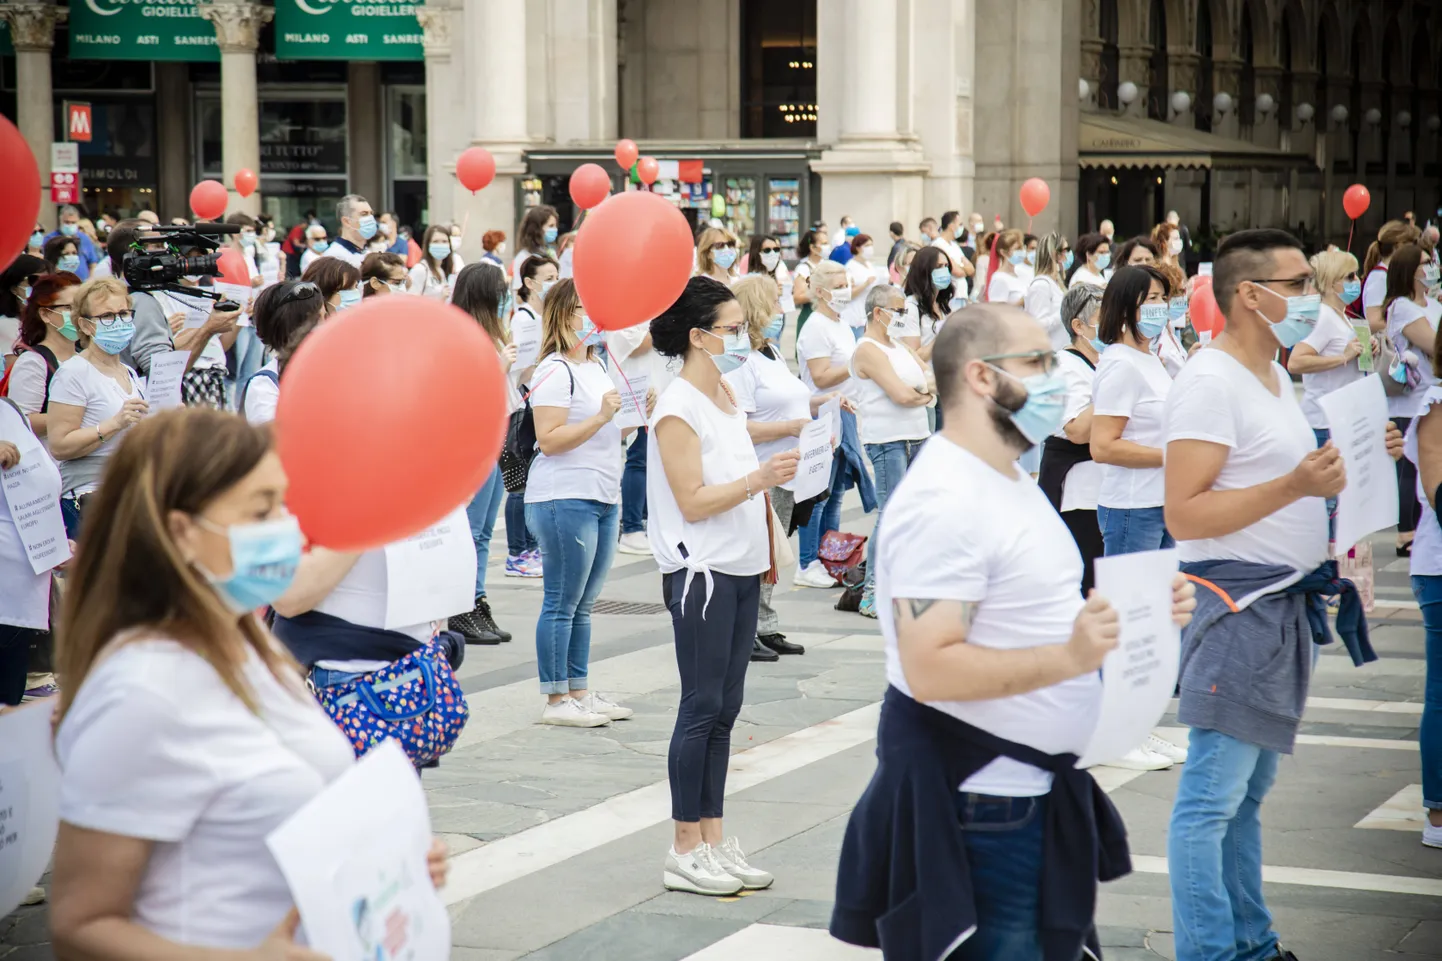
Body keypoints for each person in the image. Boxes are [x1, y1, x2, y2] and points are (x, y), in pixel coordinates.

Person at [830, 303, 1195, 961]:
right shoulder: (944, 498)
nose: (1057, 377)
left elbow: (1029, 609)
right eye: (1038, 362)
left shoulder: (1008, 479)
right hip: (983, 811)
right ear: (980, 377)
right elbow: (930, 666)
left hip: (1027, 799)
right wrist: (1068, 655)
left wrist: (1132, 610)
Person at [46, 410, 449, 960]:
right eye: (261, 511)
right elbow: (80, 925)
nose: (286, 526)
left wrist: (382, 866)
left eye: (284, 504)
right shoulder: (141, 690)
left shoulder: (250, 644)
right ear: (182, 530)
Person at [1162, 228, 1392, 961]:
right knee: (1210, 801)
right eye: (1294, 286)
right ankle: (1212, 952)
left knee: (1246, 797)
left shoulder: (1273, 377)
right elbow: (1185, 512)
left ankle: (1252, 942)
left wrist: (1353, 457)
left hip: (1279, 606)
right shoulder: (1210, 380)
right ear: (1248, 295)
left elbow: (1286, 479)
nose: (1310, 299)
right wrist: (1296, 484)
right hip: (1236, 609)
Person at [647, 275, 799, 897]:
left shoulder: (729, 394)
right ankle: (685, 846)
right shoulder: (677, 406)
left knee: (726, 710)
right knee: (700, 707)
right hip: (700, 571)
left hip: (738, 566)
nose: (744, 339)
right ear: (698, 335)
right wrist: (759, 481)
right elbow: (692, 498)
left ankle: (712, 836)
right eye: (733, 330)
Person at [525, 279, 632, 727]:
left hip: (603, 491)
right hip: (564, 494)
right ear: (564, 315)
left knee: (584, 602)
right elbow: (549, 440)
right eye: (583, 310)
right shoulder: (553, 370)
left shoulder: (597, 365)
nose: (592, 319)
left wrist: (628, 417)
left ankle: (578, 690)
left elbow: (609, 431)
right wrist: (601, 417)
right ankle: (555, 700)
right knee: (561, 601)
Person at [726, 274, 840, 660]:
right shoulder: (741, 362)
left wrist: (825, 408)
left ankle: (764, 624)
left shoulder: (772, 353)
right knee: (759, 553)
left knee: (774, 553)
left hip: (790, 467)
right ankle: (745, 630)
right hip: (762, 468)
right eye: (775, 303)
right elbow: (737, 426)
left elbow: (794, 401)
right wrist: (792, 427)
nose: (782, 310)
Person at [849, 284, 932, 618]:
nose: (902, 316)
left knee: (913, 515)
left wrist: (922, 392)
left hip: (917, 435)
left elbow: (928, 381)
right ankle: (871, 591)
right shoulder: (867, 349)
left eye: (904, 311)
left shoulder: (897, 345)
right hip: (887, 440)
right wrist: (925, 394)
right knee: (891, 515)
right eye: (897, 311)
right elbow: (901, 395)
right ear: (878, 313)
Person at [44, 279, 150, 537]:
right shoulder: (73, 373)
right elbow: (60, 445)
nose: (119, 322)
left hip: (132, 490)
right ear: (85, 324)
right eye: (107, 316)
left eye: (124, 313)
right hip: (91, 496)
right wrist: (114, 424)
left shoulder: (128, 372)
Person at [793, 260, 876, 588]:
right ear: (821, 290)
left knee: (836, 492)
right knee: (818, 493)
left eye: (847, 283)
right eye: (839, 284)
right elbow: (821, 376)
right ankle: (807, 561)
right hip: (823, 415)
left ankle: (829, 556)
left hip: (846, 415)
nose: (845, 290)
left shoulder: (839, 322)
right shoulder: (815, 327)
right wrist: (856, 362)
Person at [450, 263, 520, 645]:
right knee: (471, 528)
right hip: (474, 438)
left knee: (485, 531)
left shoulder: (494, 328)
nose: (505, 296)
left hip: (499, 432)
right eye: (500, 290)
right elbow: (466, 390)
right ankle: (461, 606)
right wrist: (502, 365)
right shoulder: (461, 333)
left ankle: (477, 599)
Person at [1090, 265, 1175, 556]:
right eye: (1151, 298)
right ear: (1126, 307)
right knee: (1133, 600)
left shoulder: (1148, 359)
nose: (1160, 306)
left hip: (1162, 500)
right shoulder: (1121, 364)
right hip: (1133, 507)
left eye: (1162, 297)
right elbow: (1102, 447)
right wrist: (1170, 457)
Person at [1040, 285, 1106, 594]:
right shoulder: (1065, 365)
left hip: (1107, 486)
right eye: (1102, 317)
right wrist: (1113, 384)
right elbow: (1078, 430)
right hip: (1081, 490)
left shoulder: (1104, 361)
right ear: (1078, 326)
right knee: (1086, 580)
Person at [502, 256, 556, 578]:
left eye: (556, 275)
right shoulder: (523, 320)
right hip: (520, 406)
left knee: (531, 478)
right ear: (530, 283)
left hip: (535, 402)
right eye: (547, 277)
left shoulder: (543, 315)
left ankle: (529, 547)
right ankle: (516, 552)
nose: (554, 281)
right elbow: (519, 369)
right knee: (518, 482)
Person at [1385, 243, 1436, 555]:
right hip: (1411, 399)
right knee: (1410, 468)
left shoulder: (1431, 303)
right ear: (1409, 269)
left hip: (1434, 395)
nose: (1432, 267)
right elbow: (1433, 343)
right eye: (1425, 262)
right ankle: (1406, 533)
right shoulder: (1402, 307)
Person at [1287, 249, 1365, 449]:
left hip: (1341, 421)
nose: (1357, 280)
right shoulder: (1323, 316)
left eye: (1356, 274)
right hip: (1324, 424)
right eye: (1350, 276)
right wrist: (1343, 357)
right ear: (1332, 283)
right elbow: (1295, 362)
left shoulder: (1341, 315)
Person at [7, 272, 81, 436]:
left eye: (82, 307)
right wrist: (79, 415)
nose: (78, 314)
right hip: (51, 458)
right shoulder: (34, 362)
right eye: (69, 307)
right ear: (45, 314)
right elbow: (23, 419)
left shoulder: (83, 356)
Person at [243, 281, 325, 425]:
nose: (326, 325)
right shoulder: (264, 385)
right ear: (296, 326)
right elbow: (276, 440)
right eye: (319, 319)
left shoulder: (328, 371)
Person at [897, 245, 954, 364]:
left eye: (946, 266)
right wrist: (944, 330)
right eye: (939, 266)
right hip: (924, 378)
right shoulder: (910, 307)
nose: (944, 270)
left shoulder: (942, 304)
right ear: (924, 270)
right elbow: (914, 356)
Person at [1363, 219, 1421, 333]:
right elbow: (1374, 322)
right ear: (1398, 246)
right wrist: (1409, 325)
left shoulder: (1391, 275)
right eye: (1412, 244)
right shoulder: (1379, 277)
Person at [1024, 232, 1071, 349]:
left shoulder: (1056, 283)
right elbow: (1037, 325)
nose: (1069, 255)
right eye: (1066, 250)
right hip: (1050, 353)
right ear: (1055, 254)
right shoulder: (1041, 285)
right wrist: (1063, 313)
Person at [1, 255, 49, 368]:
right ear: (14, 288)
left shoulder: (42, 321)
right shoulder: (7, 325)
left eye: (46, 283)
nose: (41, 288)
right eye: (34, 281)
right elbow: (13, 372)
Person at [743, 234, 791, 343]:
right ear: (757, 252)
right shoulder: (751, 280)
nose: (773, 253)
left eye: (776, 249)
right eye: (767, 250)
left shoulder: (776, 276)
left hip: (774, 336)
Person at [44, 206, 102, 280]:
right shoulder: (50, 239)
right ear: (60, 220)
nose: (70, 225)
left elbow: (93, 263)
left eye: (73, 222)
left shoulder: (84, 238)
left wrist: (90, 282)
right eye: (67, 222)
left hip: (82, 284)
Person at [789, 229, 826, 345]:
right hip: (810, 317)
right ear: (813, 248)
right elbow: (797, 297)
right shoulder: (804, 269)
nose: (827, 247)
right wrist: (819, 292)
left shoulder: (828, 265)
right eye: (824, 243)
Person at [410, 224, 464, 301]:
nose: (441, 245)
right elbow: (411, 303)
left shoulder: (441, 270)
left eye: (444, 241)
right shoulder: (420, 269)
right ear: (428, 244)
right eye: (435, 241)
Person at [322, 194, 378, 268]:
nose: (371, 218)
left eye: (371, 213)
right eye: (364, 214)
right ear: (346, 221)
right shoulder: (334, 257)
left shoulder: (367, 253)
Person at [512, 205, 559, 291]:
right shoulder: (524, 256)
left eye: (555, 226)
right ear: (537, 229)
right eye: (551, 226)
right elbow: (518, 290)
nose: (555, 230)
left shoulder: (550, 252)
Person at [840, 234, 878, 336]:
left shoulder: (869, 265)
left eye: (871, 245)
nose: (870, 248)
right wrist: (866, 284)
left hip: (868, 317)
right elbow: (848, 294)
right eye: (867, 246)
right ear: (857, 247)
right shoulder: (850, 267)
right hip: (855, 318)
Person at [982, 229, 1027, 306]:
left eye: (1022, 248)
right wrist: (1021, 302)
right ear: (1003, 252)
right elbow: (997, 309)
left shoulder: (1020, 274)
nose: (1021, 252)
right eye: (1017, 249)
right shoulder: (999, 278)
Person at [932, 211, 975, 290]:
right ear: (951, 226)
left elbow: (971, 270)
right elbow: (956, 271)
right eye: (960, 224)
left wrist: (961, 267)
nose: (962, 227)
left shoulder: (954, 245)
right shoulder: (938, 244)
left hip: (962, 294)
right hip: (952, 294)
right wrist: (964, 268)